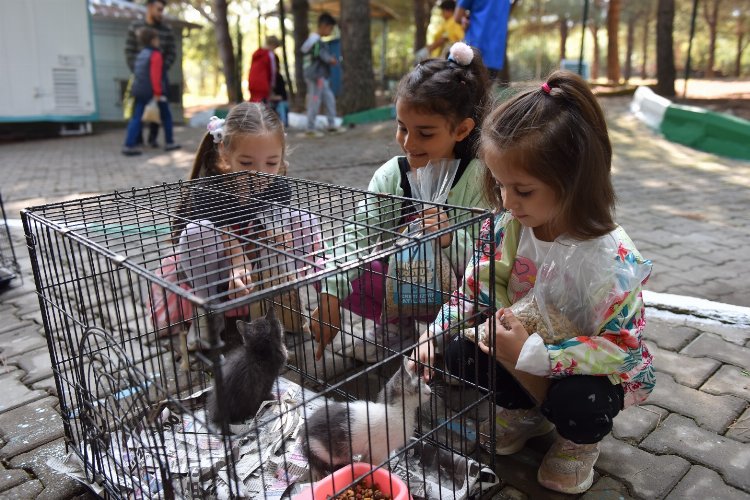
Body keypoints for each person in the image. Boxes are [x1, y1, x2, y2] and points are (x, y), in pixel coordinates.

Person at [411, 70, 654, 494]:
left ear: (573, 181)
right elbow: (473, 289)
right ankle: (523, 411)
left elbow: (623, 352)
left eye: (522, 190)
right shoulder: (509, 228)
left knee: (582, 402)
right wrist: (433, 335)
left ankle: (577, 440)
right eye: (500, 185)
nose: (506, 202)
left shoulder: (612, 260)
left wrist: (536, 354)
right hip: (521, 351)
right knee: (457, 351)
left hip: (581, 372)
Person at [310, 42, 493, 362]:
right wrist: (330, 295)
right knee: (324, 265)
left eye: (424, 133)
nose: (409, 143)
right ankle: (394, 328)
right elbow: (357, 236)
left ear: (462, 130)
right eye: (402, 128)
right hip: (399, 287)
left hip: (457, 297)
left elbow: (489, 256)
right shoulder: (391, 177)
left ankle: (445, 335)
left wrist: (451, 237)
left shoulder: (478, 178)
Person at [125, 0, 178, 150]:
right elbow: (129, 52)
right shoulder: (135, 27)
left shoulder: (166, 30)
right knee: (151, 111)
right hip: (145, 80)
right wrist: (142, 72)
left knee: (148, 112)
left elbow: (172, 53)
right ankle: (136, 141)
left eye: (163, 10)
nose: (161, 13)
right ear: (149, 7)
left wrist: (161, 68)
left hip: (153, 79)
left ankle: (151, 139)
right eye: (159, 9)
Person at [301, 13, 339, 137]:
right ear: (324, 26)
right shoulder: (315, 40)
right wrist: (331, 59)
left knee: (329, 98)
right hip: (316, 76)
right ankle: (310, 128)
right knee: (314, 100)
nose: (330, 31)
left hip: (320, 76)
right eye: (330, 28)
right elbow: (320, 54)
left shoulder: (313, 40)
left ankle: (331, 124)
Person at [454, 0, 512, 81]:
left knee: (469, 89)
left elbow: (457, 16)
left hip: (474, 49)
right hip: (495, 54)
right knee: (486, 90)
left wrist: (465, 18)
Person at [248, 35, 282, 103]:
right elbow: (272, 72)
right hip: (263, 85)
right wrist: (272, 87)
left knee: (254, 103)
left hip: (252, 83)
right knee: (263, 107)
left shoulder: (256, 53)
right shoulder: (270, 55)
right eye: (275, 48)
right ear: (273, 45)